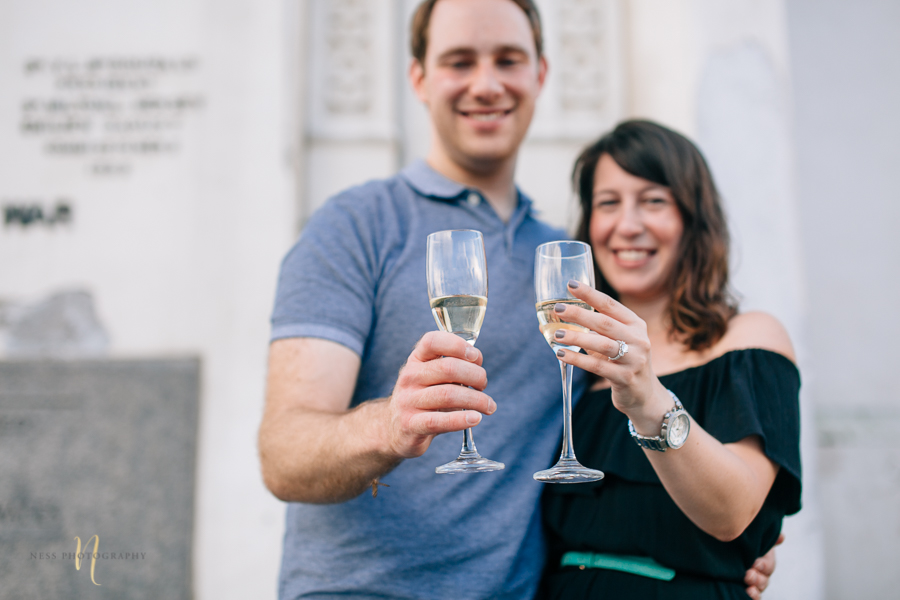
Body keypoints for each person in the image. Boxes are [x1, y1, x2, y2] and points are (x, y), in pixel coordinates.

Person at [258, 0, 778, 597]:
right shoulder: (354, 224)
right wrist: (390, 427)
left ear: (540, 75)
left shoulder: (569, 261)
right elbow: (283, 453)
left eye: (508, 59)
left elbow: (624, 433)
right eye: (459, 60)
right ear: (419, 79)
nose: (487, 83)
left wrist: (733, 545)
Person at [538, 120, 801, 599]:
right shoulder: (575, 366)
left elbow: (733, 513)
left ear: (693, 219)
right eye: (608, 202)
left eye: (654, 201)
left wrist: (647, 396)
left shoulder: (747, 341)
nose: (628, 224)